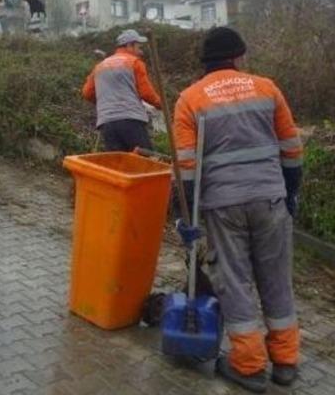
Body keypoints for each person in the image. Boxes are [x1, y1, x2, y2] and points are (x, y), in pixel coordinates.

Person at [173, 27, 303, 393]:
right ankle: (285, 361)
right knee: (276, 279)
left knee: (235, 282)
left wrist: (185, 216)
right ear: (239, 57)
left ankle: (248, 366)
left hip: (222, 206)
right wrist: (291, 193)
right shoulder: (267, 88)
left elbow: (186, 166)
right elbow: (292, 148)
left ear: (206, 63)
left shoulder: (190, 99)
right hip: (271, 200)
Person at [82, 29, 161, 152]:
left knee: (119, 164)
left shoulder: (100, 66)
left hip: (107, 123)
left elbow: (87, 93)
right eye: (138, 47)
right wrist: (161, 104)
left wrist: (106, 101)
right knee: (145, 160)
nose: (140, 51)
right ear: (129, 46)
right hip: (131, 120)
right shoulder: (134, 62)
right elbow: (146, 93)